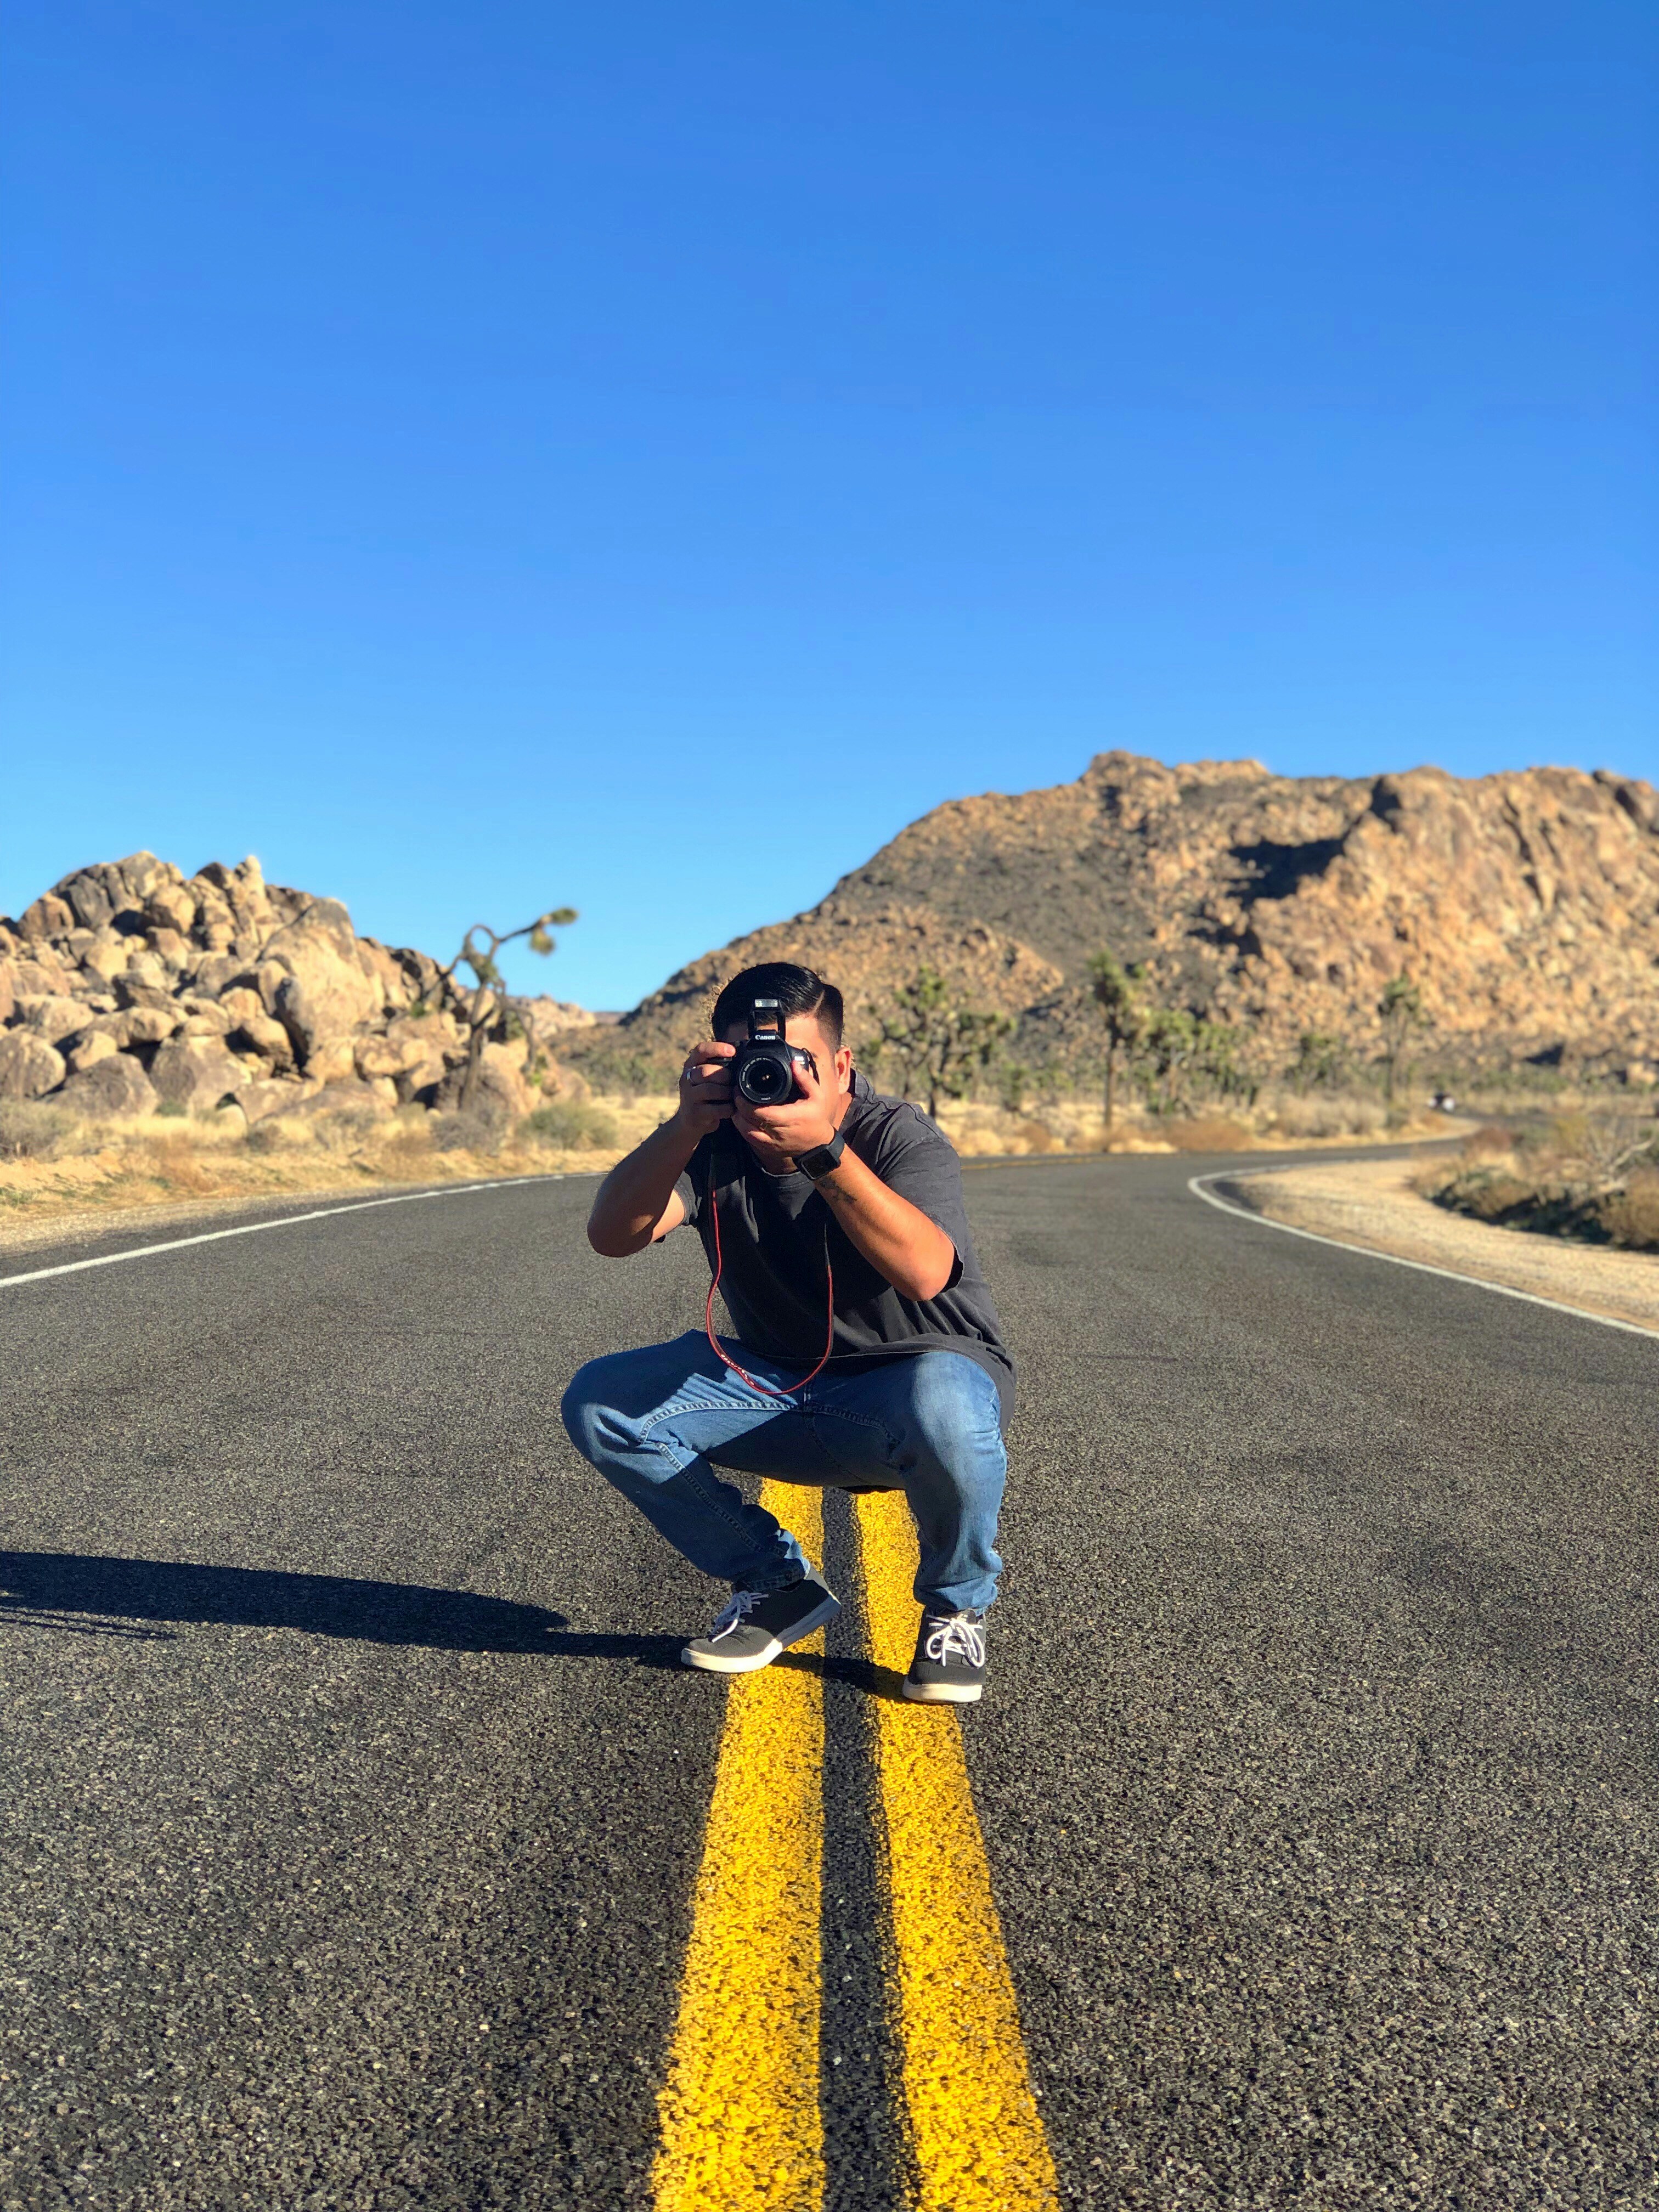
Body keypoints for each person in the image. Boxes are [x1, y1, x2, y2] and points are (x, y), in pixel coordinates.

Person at [561, 961, 1015, 1704]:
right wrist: (683, 1126)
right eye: (751, 1065)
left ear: (840, 1066)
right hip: (782, 1390)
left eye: (795, 1064)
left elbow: (927, 1273)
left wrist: (824, 1153)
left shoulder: (897, 1135)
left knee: (946, 1394)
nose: (771, 1080)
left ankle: (955, 1608)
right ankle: (776, 1586)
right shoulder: (711, 1140)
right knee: (602, 1401)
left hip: (916, 1395)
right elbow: (613, 1237)